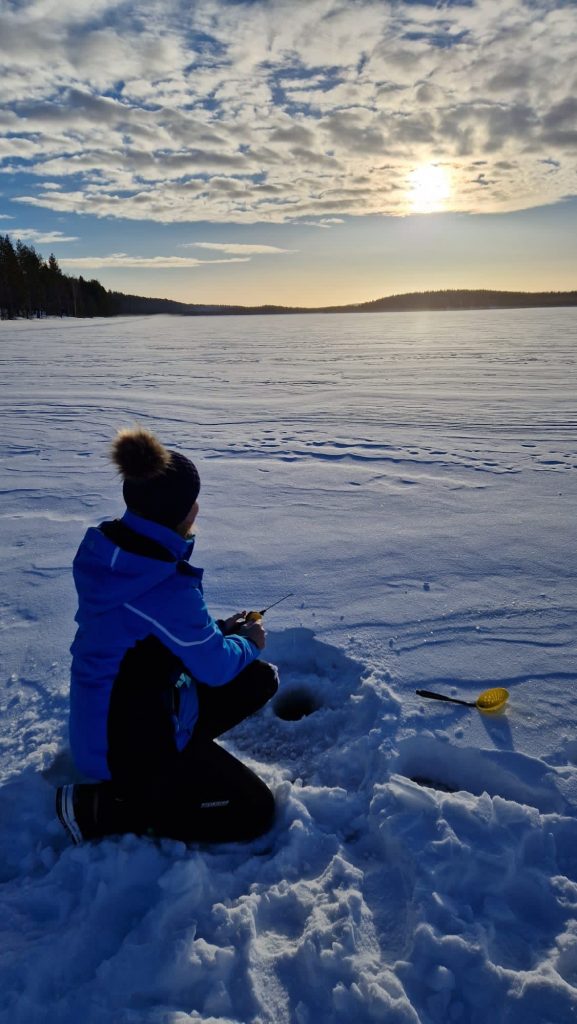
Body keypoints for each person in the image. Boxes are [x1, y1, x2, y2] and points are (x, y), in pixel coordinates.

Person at [56, 426, 278, 845]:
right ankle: (107, 808)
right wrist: (248, 641)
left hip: (118, 715)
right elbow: (213, 666)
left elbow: (150, 637)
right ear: (186, 513)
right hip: (121, 748)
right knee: (254, 811)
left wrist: (220, 632)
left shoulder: (116, 554)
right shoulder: (162, 584)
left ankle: (174, 769)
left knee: (258, 678)